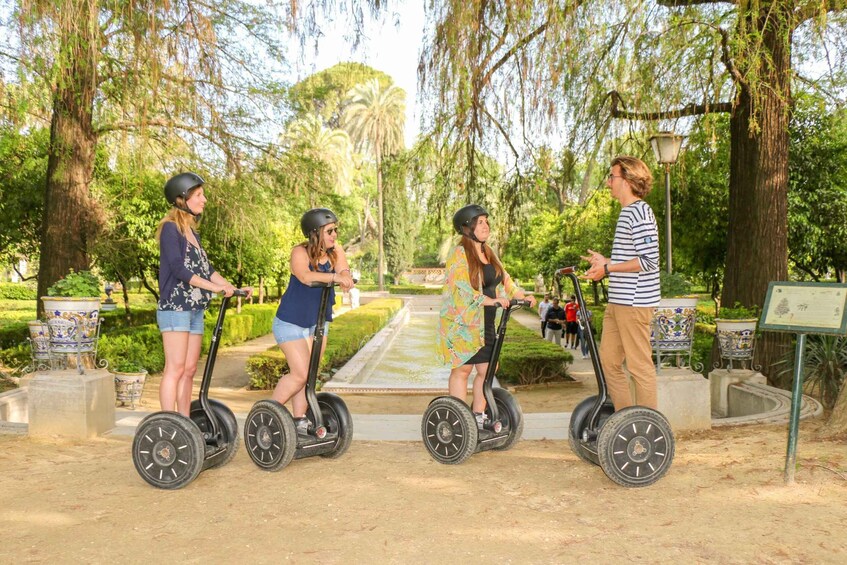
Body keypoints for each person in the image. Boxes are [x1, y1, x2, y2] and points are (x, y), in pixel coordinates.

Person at [156, 172, 252, 416]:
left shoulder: (193, 234)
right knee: (175, 368)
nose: (204, 199)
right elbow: (178, 268)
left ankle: (185, 421)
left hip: (195, 309)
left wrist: (233, 288)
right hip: (175, 308)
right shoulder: (170, 229)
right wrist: (215, 288)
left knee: (189, 370)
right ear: (181, 200)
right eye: (199, 195)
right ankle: (169, 423)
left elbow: (207, 271)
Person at [436, 204, 536, 430]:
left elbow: (505, 280)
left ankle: (478, 416)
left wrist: (521, 295)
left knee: (488, 369)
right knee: (462, 370)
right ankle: (459, 421)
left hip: (486, 322)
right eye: (479, 222)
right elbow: (459, 287)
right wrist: (488, 301)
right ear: (466, 228)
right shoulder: (459, 253)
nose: (485, 225)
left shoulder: (489, 252)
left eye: (486, 221)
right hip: (463, 324)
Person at [582, 156, 660, 410]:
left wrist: (608, 268)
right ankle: (625, 420)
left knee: (639, 367)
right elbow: (632, 258)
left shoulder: (640, 212)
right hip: (618, 302)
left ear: (626, 180)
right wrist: (607, 261)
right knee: (609, 362)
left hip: (634, 304)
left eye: (612, 177)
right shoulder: (628, 213)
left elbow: (649, 261)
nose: (608, 182)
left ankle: (647, 426)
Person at [271, 208, 355, 434]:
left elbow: (343, 270)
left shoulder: (335, 251)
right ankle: (269, 415)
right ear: (315, 232)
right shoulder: (299, 252)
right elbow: (305, 276)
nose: (335, 234)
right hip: (290, 322)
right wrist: (335, 277)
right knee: (300, 373)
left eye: (336, 230)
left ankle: (299, 420)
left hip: (317, 322)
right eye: (330, 231)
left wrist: (344, 275)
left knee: (310, 374)